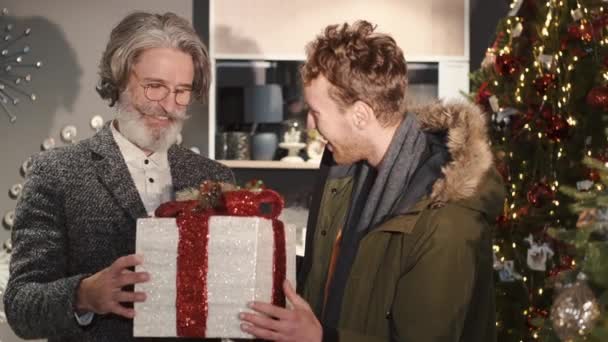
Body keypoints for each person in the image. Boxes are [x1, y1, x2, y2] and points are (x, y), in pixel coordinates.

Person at [239, 20, 505, 342]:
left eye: (316, 112)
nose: (309, 122)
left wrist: (323, 339)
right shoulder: (348, 172)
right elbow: (334, 277)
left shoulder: (447, 220)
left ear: (361, 115)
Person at [4, 12, 234, 342]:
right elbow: (21, 308)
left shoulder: (214, 178)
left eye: (181, 91)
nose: (168, 105)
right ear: (120, 78)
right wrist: (83, 295)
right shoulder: (55, 172)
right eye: (154, 87)